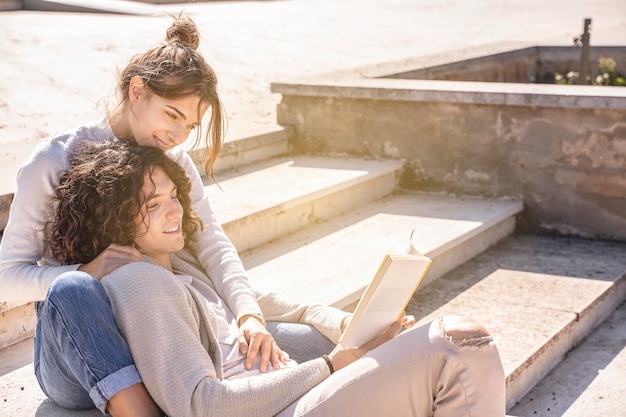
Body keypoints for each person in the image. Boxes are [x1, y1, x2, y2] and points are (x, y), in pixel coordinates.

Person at [46, 140, 506, 417]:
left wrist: (360, 326)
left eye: (173, 195)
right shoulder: (140, 283)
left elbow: (298, 310)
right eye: (151, 204)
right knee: (461, 346)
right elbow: (204, 406)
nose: (175, 210)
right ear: (116, 222)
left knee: (461, 346)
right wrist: (332, 365)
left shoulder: (187, 269)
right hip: (285, 406)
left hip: (302, 392)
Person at [0, 15, 315, 416]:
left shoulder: (174, 160)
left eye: (189, 125)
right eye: (171, 115)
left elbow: (212, 241)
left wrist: (249, 315)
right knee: (73, 290)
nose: (178, 136)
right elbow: (6, 278)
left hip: (166, 336)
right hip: (82, 344)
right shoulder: (54, 160)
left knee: (310, 342)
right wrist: (88, 269)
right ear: (136, 91)